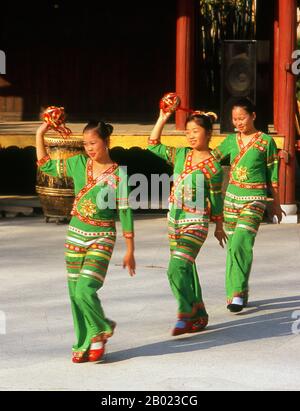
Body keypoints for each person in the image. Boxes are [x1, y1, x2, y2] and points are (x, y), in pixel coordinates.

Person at [36, 120, 136, 363]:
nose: (89, 148)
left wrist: (130, 250)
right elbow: (46, 166)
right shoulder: (78, 163)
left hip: (102, 237)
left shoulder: (119, 175)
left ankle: (100, 329)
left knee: (85, 289)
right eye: (85, 144)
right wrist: (41, 132)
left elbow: (125, 212)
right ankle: (85, 341)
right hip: (75, 235)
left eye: (93, 143)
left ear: (106, 142)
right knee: (74, 292)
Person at [148, 109, 227, 336]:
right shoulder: (181, 154)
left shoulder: (213, 166)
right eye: (188, 132)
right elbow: (153, 144)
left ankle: (185, 312)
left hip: (197, 222)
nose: (191, 136)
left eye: (196, 131)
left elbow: (216, 198)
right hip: (175, 219)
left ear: (208, 133)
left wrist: (219, 226)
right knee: (186, 268)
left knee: (176, 267)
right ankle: (199, 313)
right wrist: (163, 117)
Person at [212, 98, 284, 313]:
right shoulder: (231, 140)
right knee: (233, 247)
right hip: (231, 200)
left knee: (242, 241)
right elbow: (212, 159)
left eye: (242, 118)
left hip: (254, 199)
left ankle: (237, 293)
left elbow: (273, 176)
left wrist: (276, 204)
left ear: (253, 116)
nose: (238, 123)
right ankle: (237, 292)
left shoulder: (266, 142)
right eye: (234, 119)